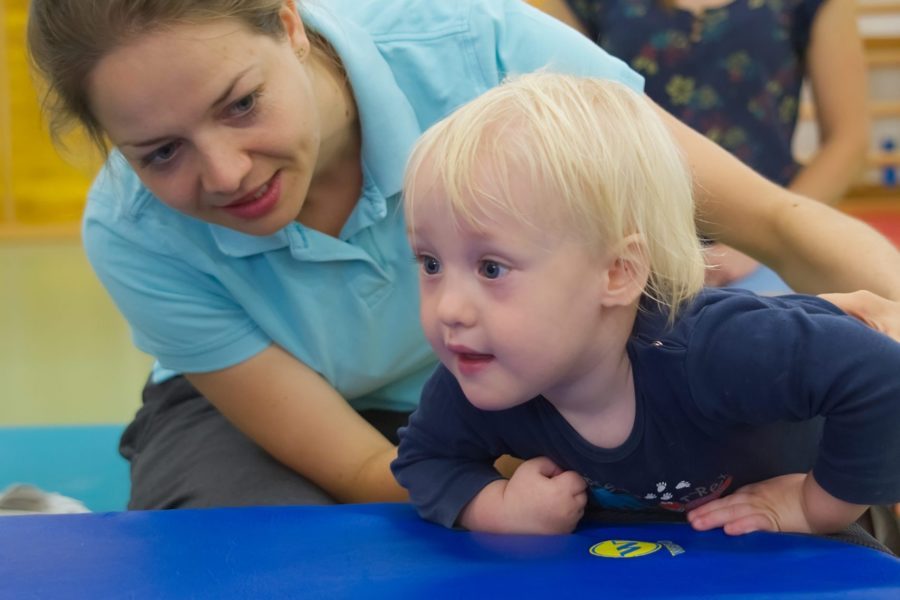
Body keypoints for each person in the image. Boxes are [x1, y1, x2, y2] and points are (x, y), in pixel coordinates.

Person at [26, 0, 900, 510]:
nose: (224, 174)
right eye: (160, 154)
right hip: (291, 407)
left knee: (782, 486)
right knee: (252, 546)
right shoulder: (131, 229)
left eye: (243, 104)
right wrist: (520, 489)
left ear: (290, 25)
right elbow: (371, 467)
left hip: (563, 369)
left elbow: (781, 224)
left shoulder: (480, 45)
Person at [391, 72, 900, 541]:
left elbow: (880, 375)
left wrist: (817, 506)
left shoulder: (716, 350)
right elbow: (425, 457)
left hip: (845, 472)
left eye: (491, 268)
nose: (450, 309)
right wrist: (496, 506)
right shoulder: (481, 370)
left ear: (616, 272)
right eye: (431, 264)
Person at [535, 0, 870, 290]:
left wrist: (766, 240)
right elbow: (558, 121)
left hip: (763, 244)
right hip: (622, 240)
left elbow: (848, 142)